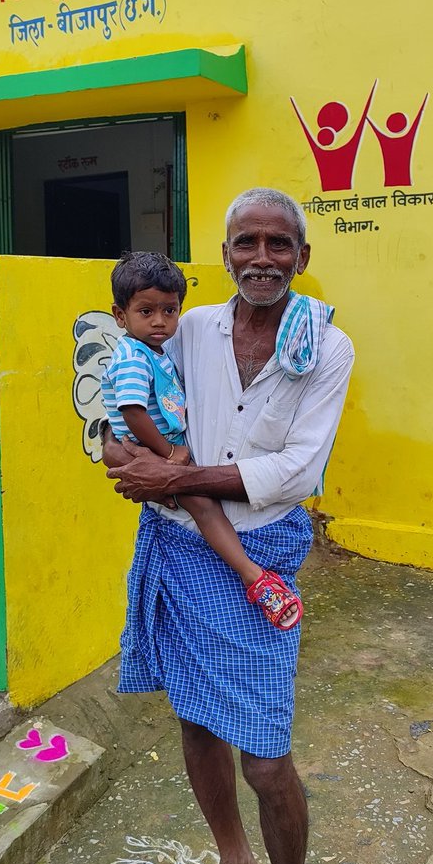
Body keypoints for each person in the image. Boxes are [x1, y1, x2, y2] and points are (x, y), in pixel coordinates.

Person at [102, 188, 354, 864]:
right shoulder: (189, 327)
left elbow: (295, 471)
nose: (263, 258)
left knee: (268, 759)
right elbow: (125, 396)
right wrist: (116, 450)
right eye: (247, 242)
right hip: (178, 546)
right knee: (197, 719)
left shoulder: (326, 347)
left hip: (261, 558)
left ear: (303, 258)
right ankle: (235, 863)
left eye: (280, 244)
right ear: (226, 256)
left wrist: (173, 476)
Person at [102, 250, 302, 628]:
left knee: (200, 504)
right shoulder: (133, 357)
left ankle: (250, 573)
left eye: (169, 310)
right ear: (119, 315)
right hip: (150, 452)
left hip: (153, 453)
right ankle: (254, 578)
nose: (160, 321)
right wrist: (171, 454)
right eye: (147, 312)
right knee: (205, 506)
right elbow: (132, 412)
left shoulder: (153, 350)